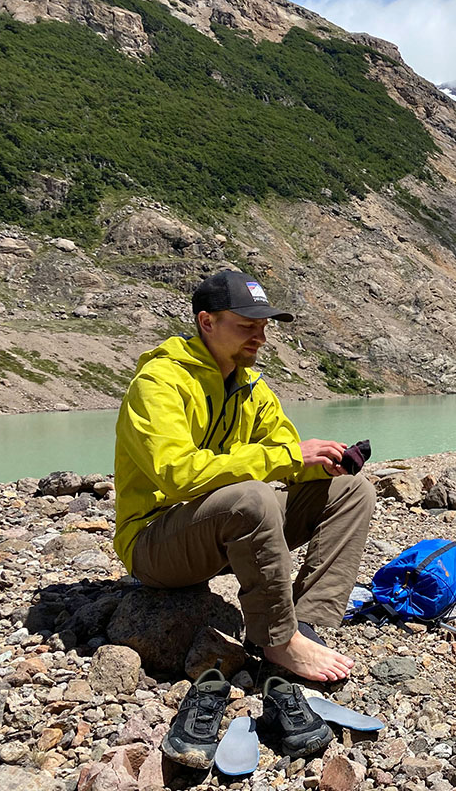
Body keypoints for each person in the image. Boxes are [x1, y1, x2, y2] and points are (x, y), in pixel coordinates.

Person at [112, 270, 375, 682]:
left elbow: (288, 459)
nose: (261, 338)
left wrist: (323, 464)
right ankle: (277, 639)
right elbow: (177, 476)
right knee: (252, 497)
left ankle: (305, 621)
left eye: (264, 327)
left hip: (219, 536)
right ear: (207, 321)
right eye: (247, 326)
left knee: (351, 490)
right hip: (154, 543)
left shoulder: (251, 386)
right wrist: (287, 456)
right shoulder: (158, 383)